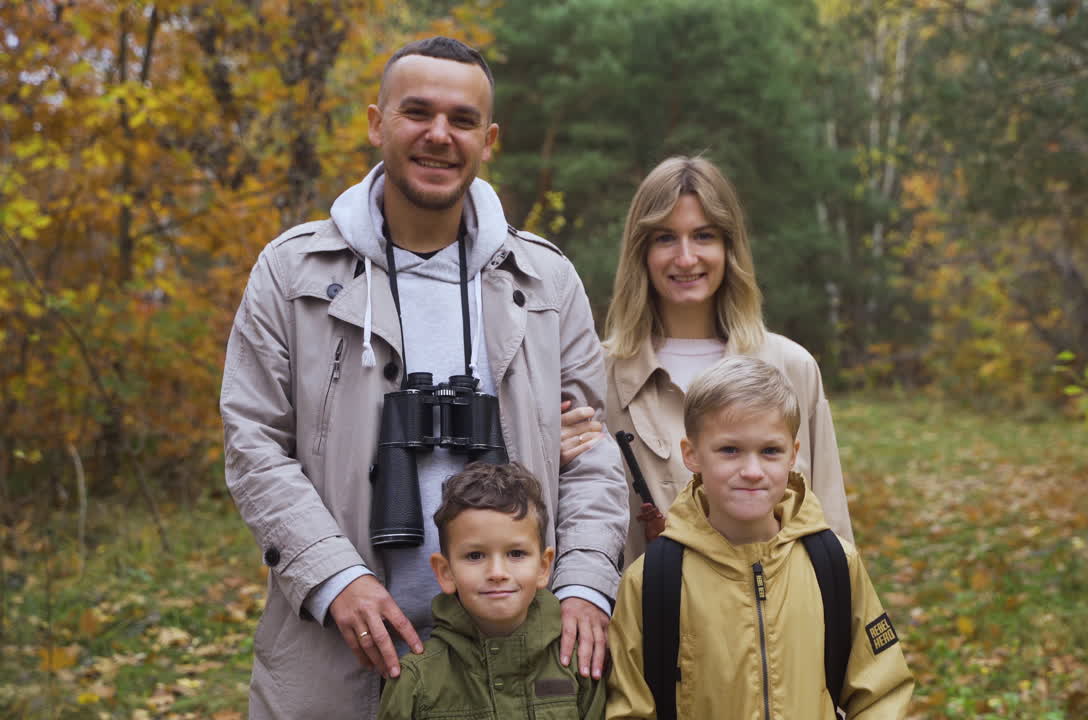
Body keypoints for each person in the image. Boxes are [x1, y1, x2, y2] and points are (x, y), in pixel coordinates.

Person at [220, 37, 627, 720]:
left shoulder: (544, 281)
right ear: (376, 122)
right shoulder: (294, 274)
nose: (439, 136)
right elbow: (254, 446)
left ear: (489, 139)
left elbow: (592, 458)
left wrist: (585, 581)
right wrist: (335, 577)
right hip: (338, 657)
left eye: (462, 120)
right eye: (417, 113)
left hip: (517, 665)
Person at [561, 155, 853, 563]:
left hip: (781, 624)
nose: (685, 258)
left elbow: (832, 528)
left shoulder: (792, 368)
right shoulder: (595, 377)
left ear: (729, 246)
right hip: (644, 622)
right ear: (640, 252)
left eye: (703, 236)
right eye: (665, 238)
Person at [605, 356, 913, 719]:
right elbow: (629, 709)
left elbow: (882, 692)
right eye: (730, 450)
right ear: (691, 454)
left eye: (770, 451)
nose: (752, 472)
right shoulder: (652, 579)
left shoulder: (833, 564)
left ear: (793, 456)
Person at [377, 462, 606, 719]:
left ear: (543, 567)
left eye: (516, 553)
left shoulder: (578, 665)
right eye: (475, 555)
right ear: (445, 572)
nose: (497, 572)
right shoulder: (415, 680)